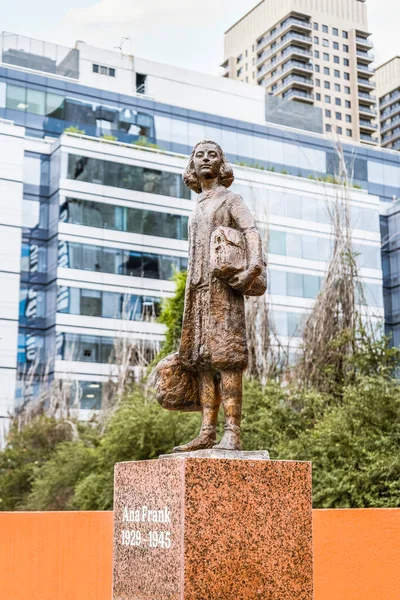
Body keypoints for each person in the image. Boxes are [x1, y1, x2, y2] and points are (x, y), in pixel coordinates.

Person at [173, 140, 266, 452]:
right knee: (201, 361)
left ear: (221, 163)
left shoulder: (231, 199)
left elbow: (251, 231)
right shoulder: (198, 204)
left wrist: (254, 264)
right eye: (199, 155)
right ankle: (206, 431)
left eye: (212, 155)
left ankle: (233, 431)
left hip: (223, 290)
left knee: (227, 359)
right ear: (192, 165)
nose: (205, 159)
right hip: (197, 289)